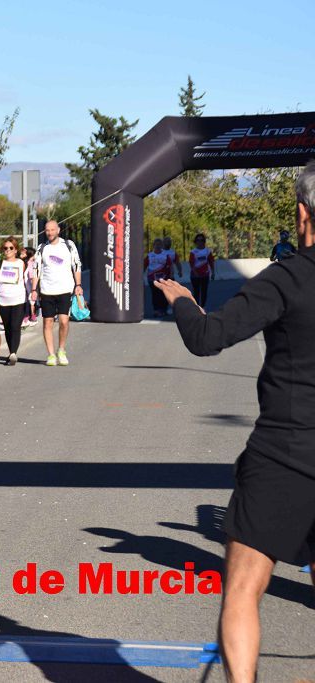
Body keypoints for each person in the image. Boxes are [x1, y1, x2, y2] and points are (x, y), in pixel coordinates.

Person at [153, 160, 315, 683]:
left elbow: (207, 337)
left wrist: (182, 302)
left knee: (244, 585)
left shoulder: (288, 277)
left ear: (302, 214)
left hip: (285, 454)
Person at [30, 221, 82, 366]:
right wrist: (34, 290)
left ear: (58, 230)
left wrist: (78, 285)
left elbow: (76, 265)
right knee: (48, 322)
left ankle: (61, 349)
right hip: (47, 290)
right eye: (47, 230)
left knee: (64, 321)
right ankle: (51, 354)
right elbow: (36, 270)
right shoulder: (41, 248)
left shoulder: (68, 245)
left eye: (53, 230)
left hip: (65, 289)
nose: (50, 233)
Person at [0, 237, 26, 365]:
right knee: (8, 327)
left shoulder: (21, 263)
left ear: (16, 250)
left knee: (15, 326)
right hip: (3, 301)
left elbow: (27, 279)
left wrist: (33, 293)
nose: (8, 250)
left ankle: (14, 353)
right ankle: (11, 352)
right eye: (5, 248)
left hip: (19, 299)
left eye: (11, 248)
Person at [144, 238, 173, 318]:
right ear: (153, 246)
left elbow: (170, 266)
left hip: (164, 278)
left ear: (162, 246)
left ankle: (163, 310)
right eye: (156, 244)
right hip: (152, 278)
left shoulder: (165, 255)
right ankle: (156, 310)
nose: (158, 246)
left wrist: (171, 275)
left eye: (159, 244)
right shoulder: (149, 256)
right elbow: (144, 266)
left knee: (163, 294)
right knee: (155, 294)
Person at [188, 233, 216, 309]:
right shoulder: (193, 252)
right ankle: (196, 307)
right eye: (198, 240)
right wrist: (195, 273)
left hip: (205, 274)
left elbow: (211, 262)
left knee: (204, 292)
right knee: (196, 292)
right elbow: (191, 263)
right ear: (195, 242)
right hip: (195, 275)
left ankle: (203, 306)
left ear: (204, 241)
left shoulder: (208, 251)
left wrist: (213, 272)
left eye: (201, 240)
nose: (200, 242)